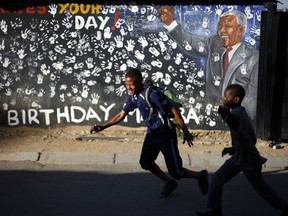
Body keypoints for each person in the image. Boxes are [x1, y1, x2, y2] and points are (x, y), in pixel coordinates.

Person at [90, 68, 208, 197]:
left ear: (139, 82)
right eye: (126, 85)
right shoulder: (133, 97)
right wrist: (103, 127)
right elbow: (121, 115)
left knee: (177, 172)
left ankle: (200, 176)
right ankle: (169, 183)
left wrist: (185, 131)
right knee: (146, 162)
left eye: (131, 84)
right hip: (152, 135)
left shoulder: (151, 95)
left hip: (165, 135)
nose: (128, 88)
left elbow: (174, 111)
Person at [196, 84, 288, 216]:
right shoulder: (240, 112)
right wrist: (232, 148)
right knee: (216, 179)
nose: (224, 99)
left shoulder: (237, 114)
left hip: (248, 160)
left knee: (261, 188)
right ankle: (214, 211)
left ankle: (284, 207)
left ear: (236, 100)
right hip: (239, 157)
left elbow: (234, 122)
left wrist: (225, 114)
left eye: (226, 97)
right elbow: (247, 137)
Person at [159, 6, 258, 121]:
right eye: (220, 26)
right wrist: (170, 23)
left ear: (240, 30)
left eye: (228, 26)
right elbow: (189, 41)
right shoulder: (214, 44)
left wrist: (241, 119)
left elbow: (253, 97)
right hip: (213, 114)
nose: (222, 31)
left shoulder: (253, 58)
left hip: (237, 119)